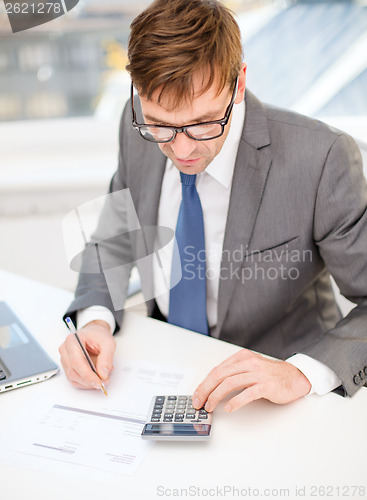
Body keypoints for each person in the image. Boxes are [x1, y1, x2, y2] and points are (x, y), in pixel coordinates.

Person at [59, 0, 367, 413]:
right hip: (166, 368)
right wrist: (94, 319)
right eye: (162, 125)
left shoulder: (322, 158)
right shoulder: (134, 126)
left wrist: (301, 373)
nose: (181, 149)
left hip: (281, 395)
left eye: (204, 122)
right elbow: (115, 240)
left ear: (239, 83)